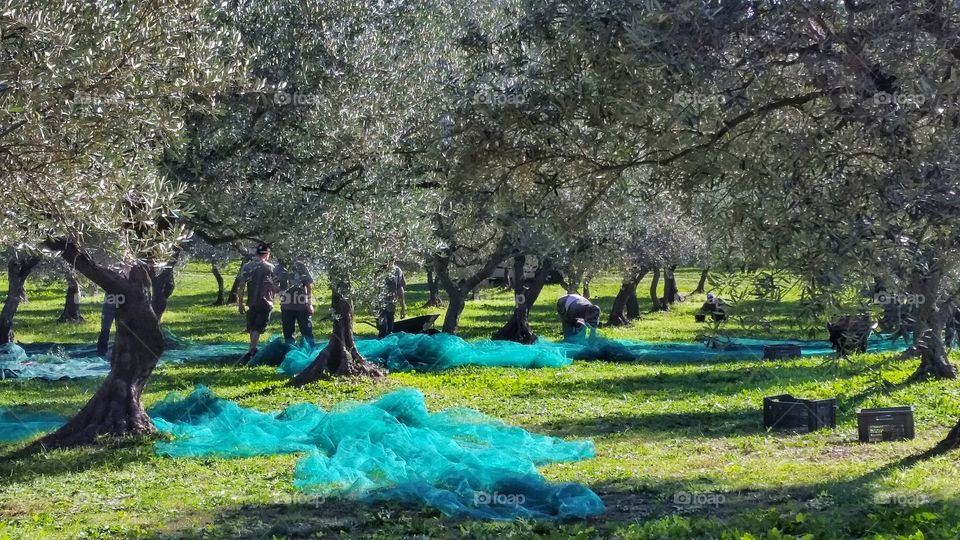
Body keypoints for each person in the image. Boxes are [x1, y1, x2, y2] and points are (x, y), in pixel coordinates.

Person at [236, 243, 278, 364]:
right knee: (257, 328)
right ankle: (252, 350)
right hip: (266, 302)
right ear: (266, 254)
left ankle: (252, 348)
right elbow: (275, 286)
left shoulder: (247, 267)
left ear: (256, 254)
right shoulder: (271, 268)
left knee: (253, 326)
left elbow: (241, 285)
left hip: (252, 301)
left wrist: (240, 303)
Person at [276, 259, 315, 346]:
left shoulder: (300, 266)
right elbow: (274, 285)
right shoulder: (278, 268)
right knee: (288, 333)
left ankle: (310, 350)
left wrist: (310, 303)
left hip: (302, 306)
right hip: (286, 306)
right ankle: (290, 351)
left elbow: (309, 285)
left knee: (306, 332)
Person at [377, 260, 406, 338]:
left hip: (391, 304)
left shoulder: (397, 271)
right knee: (383, 328)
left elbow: (400, 289)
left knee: (390, 329)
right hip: (379, 304)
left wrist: (403, 306)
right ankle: (381, 346)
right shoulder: (379, 270)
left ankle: (386, 347)